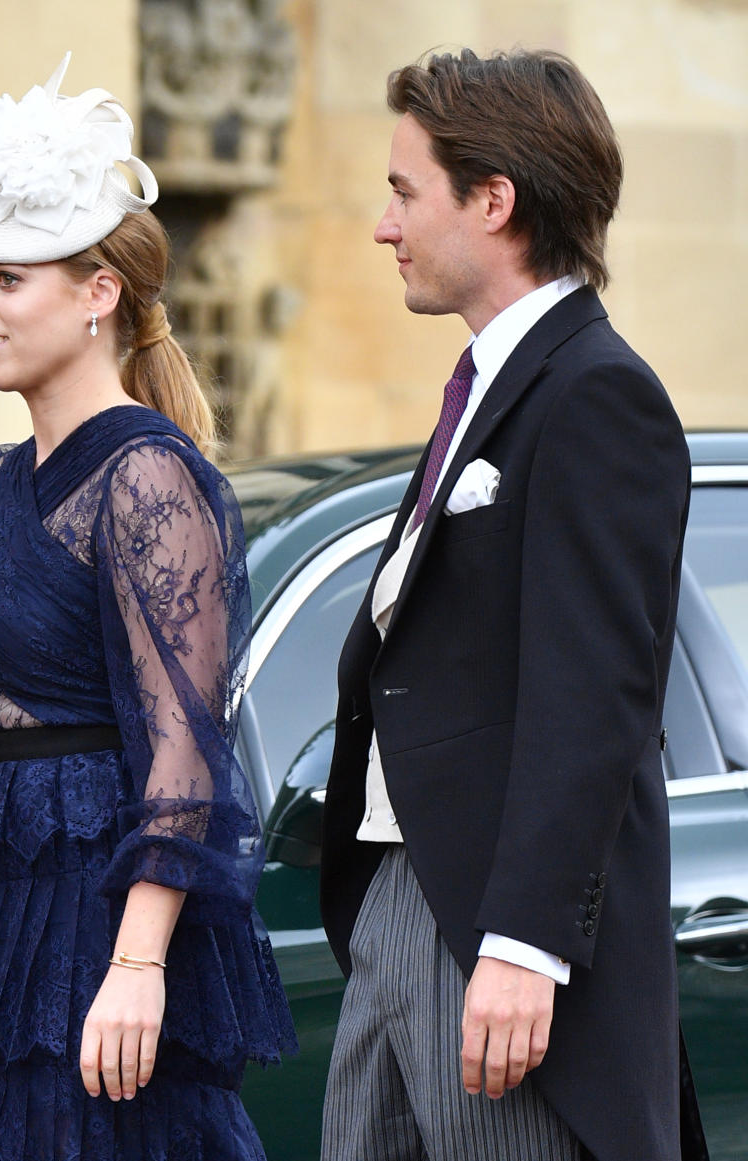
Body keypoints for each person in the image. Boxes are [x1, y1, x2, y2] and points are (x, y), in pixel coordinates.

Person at [0, 53, 295, 1161]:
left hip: (106, 920)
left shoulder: (150, 477)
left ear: (98, 294)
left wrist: (139, 963)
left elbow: (185, 752)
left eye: (9, 279)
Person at [319, 48, 707, 1161]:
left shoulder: (599, 393)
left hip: (493, 932)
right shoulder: (486, 387)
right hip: (398, 897)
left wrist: (525, 947)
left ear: (495, 200)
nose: (384, 226)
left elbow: (594, 700)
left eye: (405, 192)